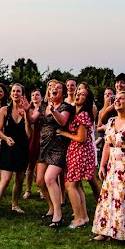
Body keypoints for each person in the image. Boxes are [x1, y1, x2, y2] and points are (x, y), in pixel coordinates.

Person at [93, 91, 125, 248]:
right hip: (112, 167)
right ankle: (105, 231)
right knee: (109, 199)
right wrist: (102, 165)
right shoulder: (110, 122)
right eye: (116, 99)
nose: (118, 101)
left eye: (122, 99)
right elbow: (108, 145)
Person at [28, 80, 74, 228]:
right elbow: (32, 119)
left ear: (63, 92)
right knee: (40, 181)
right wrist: (25, 110)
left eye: (58, 88)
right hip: (43, 146)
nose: (54, 90)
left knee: (49, 178)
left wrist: (53, 110)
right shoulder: (42, 107)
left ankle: (58, 214)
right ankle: (52, 206)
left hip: (58, 146)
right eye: (52, 88)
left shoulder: (65, 107)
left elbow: (62, 122)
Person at [0, 83, 31, 220]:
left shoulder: (26, 111)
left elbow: (29, 134)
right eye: (13, 91)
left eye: (18, 91)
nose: (15, 93)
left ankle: (15, 204)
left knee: (19, 180)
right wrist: (6, 138)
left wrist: (26, 117)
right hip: (8, 147)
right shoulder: (4, 110)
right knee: (5, 179)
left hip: (22, 148)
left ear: (22, 94)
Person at [60, 87, 95, 229]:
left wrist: (64, 134)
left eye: (82, 95)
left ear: (87, 100)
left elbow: (81, 138)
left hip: (80, 151)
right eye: (78, 93)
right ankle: (84, 216)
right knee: (77, 185)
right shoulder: (77, 112)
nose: (78, 95)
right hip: (77, 151)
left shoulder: (83, 115)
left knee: (70, 185)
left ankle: (78, 218)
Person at [23, 88, 43, 200]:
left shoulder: (43, 109)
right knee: (30, 166)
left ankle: (41, 189)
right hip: (32, 138)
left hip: (42, 138)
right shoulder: (28, 109)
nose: (35, 97)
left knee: (41, 166)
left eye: (37, 95)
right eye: (33, 95)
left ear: (42, 97)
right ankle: (28, 189)